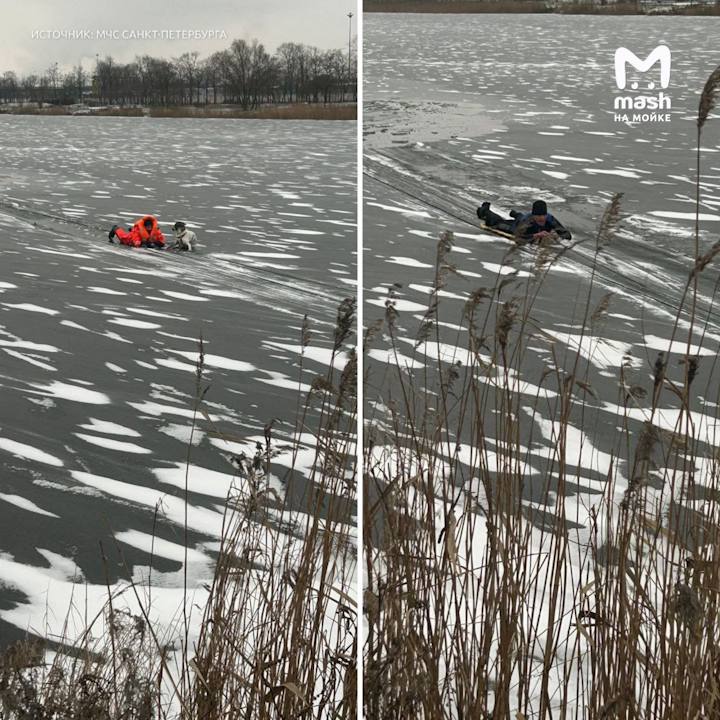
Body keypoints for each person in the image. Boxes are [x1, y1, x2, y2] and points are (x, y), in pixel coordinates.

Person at [476, 199, 571, 242]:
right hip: (517, 226)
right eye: (538, 216)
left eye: (543, 215)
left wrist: (555, 236)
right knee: (495, 223)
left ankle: (516, 214)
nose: (541, 218)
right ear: (533, 215)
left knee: (520, 216)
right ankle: (485, 210)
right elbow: (518, 235)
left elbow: (567, 234)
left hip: (523, 219)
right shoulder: (528, 220)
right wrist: (536, 235)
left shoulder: (550, 219)